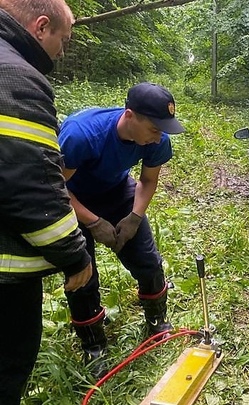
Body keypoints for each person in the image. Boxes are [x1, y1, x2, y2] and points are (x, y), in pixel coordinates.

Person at [58, 82, 185, 378]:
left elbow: (148, 181)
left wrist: (135, 217)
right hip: (72, 199)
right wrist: (92, 221)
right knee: (82, 275)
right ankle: (94, 347)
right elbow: (55, 187)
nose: (158, 137)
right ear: (130, 116)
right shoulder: (82, 134)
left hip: (117, 191)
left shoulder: (157, 140)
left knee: (148, 261)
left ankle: (157, 321)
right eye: (154, 128)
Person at [0, 0, 93, 403]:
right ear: (41, 27)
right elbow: (30, 185)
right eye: (64, 40)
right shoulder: (16, 78)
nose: (62, 52)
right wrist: (75, 255)